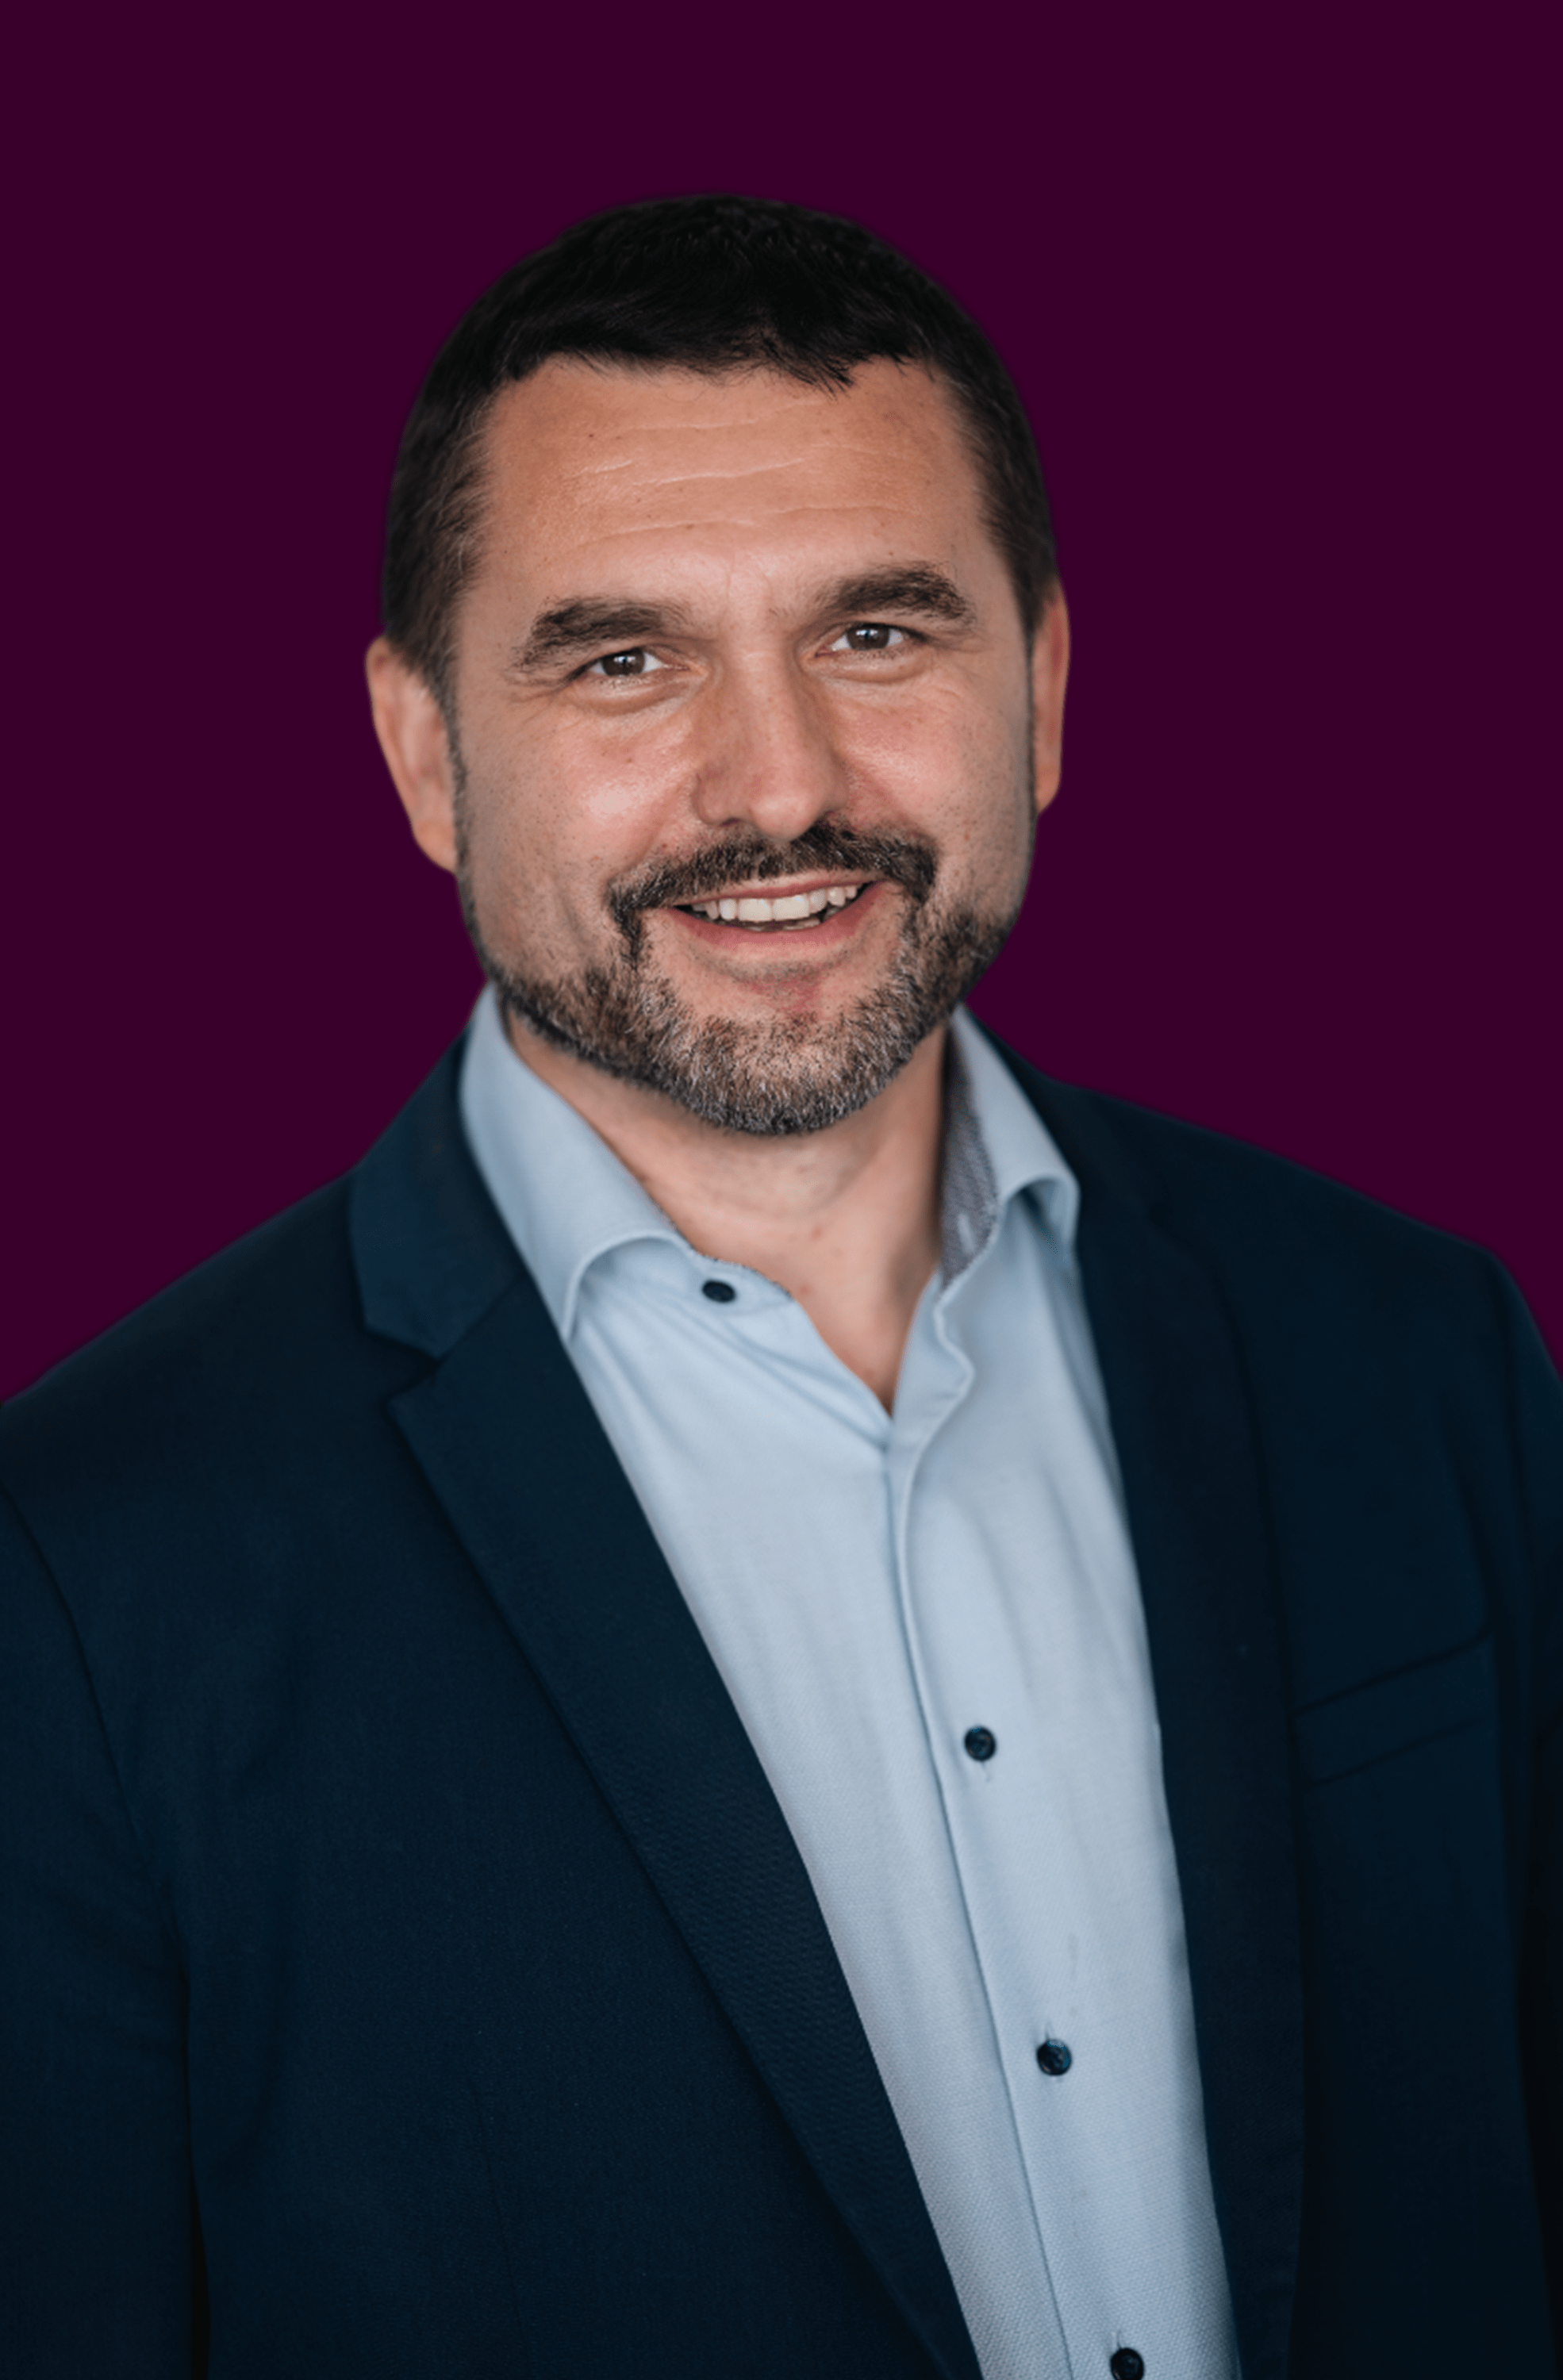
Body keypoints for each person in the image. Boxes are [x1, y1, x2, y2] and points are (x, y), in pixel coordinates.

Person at [1, 195, 1557, 2380]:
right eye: (623, 658)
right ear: (427, 753)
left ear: (1045, 690)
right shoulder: (77, 1574)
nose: (783, 784)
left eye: (883, 633)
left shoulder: (1418, 1359)